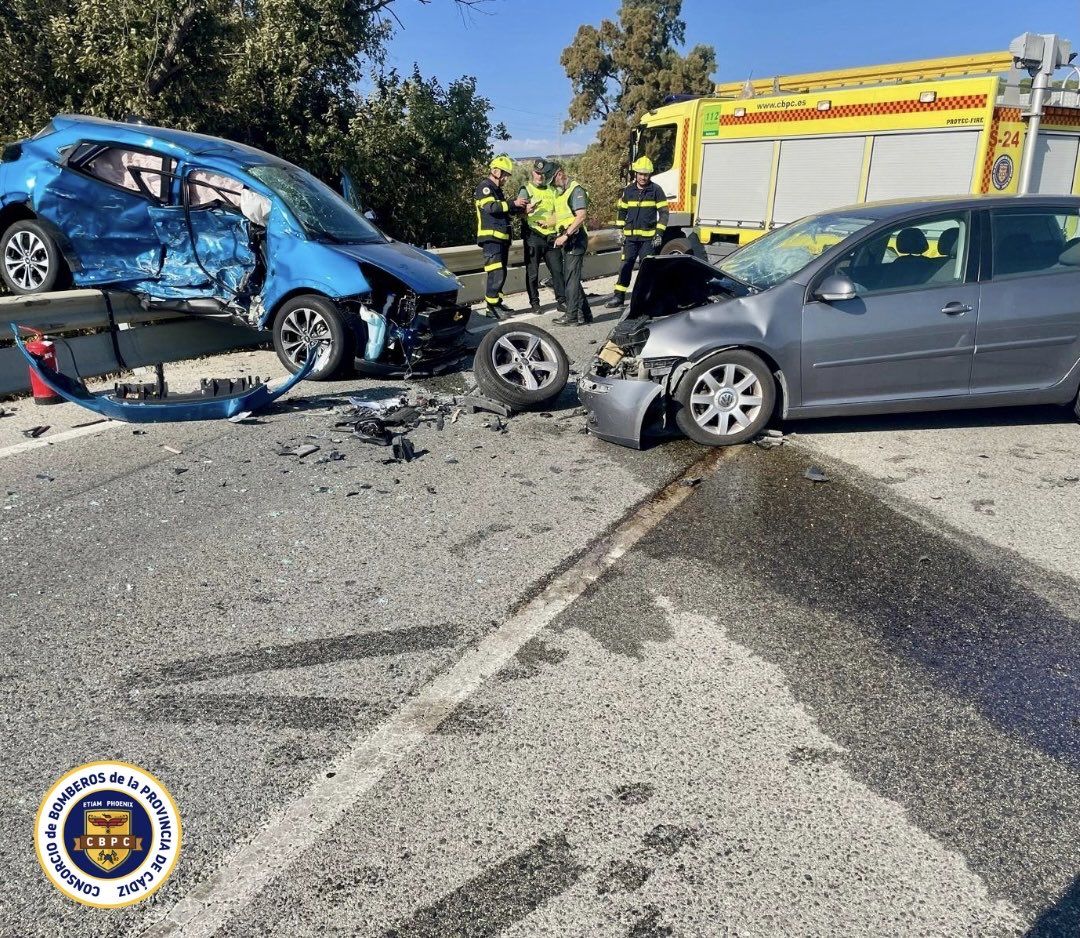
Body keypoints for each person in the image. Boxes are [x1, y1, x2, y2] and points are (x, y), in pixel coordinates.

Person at [606, 155, 669, 309]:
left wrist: (659, 233)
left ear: (650, 175)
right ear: (636, 174)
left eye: (646, 174)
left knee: (646, 268)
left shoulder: (656, 190)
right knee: (625, 266)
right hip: (630, 238)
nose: (643, 177)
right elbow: (622, 211)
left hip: (648, 239)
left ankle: (644, 297)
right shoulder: (628, 191)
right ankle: (618, 296)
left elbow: (664, 213)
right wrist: (620, 231)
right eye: (640, 174)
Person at [474, 154, 528, 319]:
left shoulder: (496, 190)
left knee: (501, 273)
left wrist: (522, 208)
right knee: (496, 273)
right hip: (491, 239)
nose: (506, 178)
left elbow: (505, 209)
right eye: (505, 174)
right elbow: (491, 208)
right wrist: (513, 203)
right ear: (496, 171)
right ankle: (491, 308)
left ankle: (496, 303)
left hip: (501, 239)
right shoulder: (485, 187)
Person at [517, 158, 566, 314]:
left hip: (551, 236)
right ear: (533, 173)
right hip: (534, 236)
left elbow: (561, 210)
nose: (540, 176)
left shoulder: (553, 190)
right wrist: (526, 210)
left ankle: (562, 301)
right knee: (533, 272)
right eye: (537, 173)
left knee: (557, 270)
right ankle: (535, 303)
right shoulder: (526, 190)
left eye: (542, 174)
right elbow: (517, 212)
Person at [550, 166, 593, 327]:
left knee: (571, 279)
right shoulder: (561, 192)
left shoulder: (576, 190)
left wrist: (566, 235)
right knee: (572, 278)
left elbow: (581, 216)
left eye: (553, 180)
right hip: (568, 239)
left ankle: (572, 316)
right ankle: (586, 314)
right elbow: (561, 216)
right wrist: (547, 223)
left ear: (560, 174)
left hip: (576, 239)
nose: (553, 185)